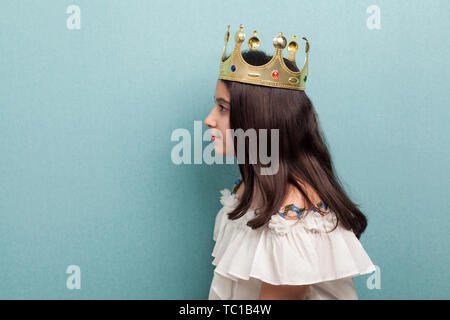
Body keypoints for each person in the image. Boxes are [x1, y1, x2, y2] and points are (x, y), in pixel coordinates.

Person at [204, 25, 376, 300]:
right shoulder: (251, 191)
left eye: (223, 108)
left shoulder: (291, 220)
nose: (209, 119)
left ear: (258, 121)